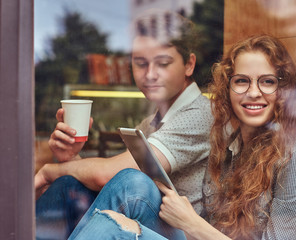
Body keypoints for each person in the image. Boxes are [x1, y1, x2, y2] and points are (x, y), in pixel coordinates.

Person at [70, 35, 296, 240]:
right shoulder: (229, 147)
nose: (253, 92)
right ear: (227, 89)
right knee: (130, 183)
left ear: (283, 91)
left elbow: (197, 227)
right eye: (242, 81)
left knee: (114, 226)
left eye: (267, 82)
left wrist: (190, 222)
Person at [35, 9, 213, 239]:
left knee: (132, 183)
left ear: (189, 65)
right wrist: (71, 158)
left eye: (163, 63)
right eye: (140, 63)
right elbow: (108, 184)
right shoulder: (151, 122)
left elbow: (111, 177)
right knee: (71, 184)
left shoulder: (201, 114)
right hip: (151, 226)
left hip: (190, 234)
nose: (150, 74)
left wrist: (51, 171)